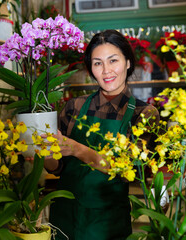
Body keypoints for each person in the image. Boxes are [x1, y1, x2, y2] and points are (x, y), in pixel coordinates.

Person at [43, 29, 160, 240]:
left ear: (127, 63)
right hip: (65, 217)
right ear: (91, 69)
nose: (106, 71)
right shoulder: (74, 107)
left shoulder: (144, 114)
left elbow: (125, 170)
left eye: (113, 60)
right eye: (98, 63)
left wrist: (78, 149)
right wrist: (47, 152)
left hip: (108, 224)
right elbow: (55, 168)